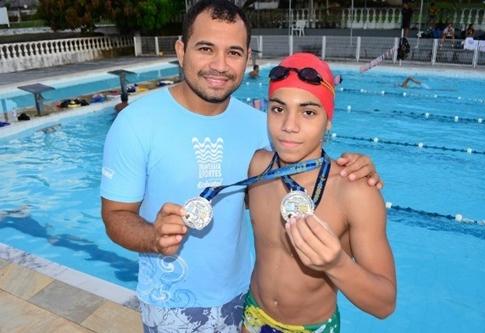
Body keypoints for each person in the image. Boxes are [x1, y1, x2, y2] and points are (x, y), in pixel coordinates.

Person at [100, 1, 383, 331]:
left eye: (233, 52)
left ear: (247, 57)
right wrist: (152, 237)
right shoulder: (136, 123)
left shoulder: (261, 127)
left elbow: (303, 165)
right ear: (181, 50)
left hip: (243, 300)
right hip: (172, 302)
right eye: (206, 48)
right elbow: (115, 216)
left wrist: (357, 168)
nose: (219, 65)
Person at [243, 53, 396, 333]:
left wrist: (336, 264)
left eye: (308, 112)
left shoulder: (355, 191)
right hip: (253, 315)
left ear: (328, 120)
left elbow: (385, 304)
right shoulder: (257, 167)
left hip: (313, 327)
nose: (289, 125)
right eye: (278, 109)